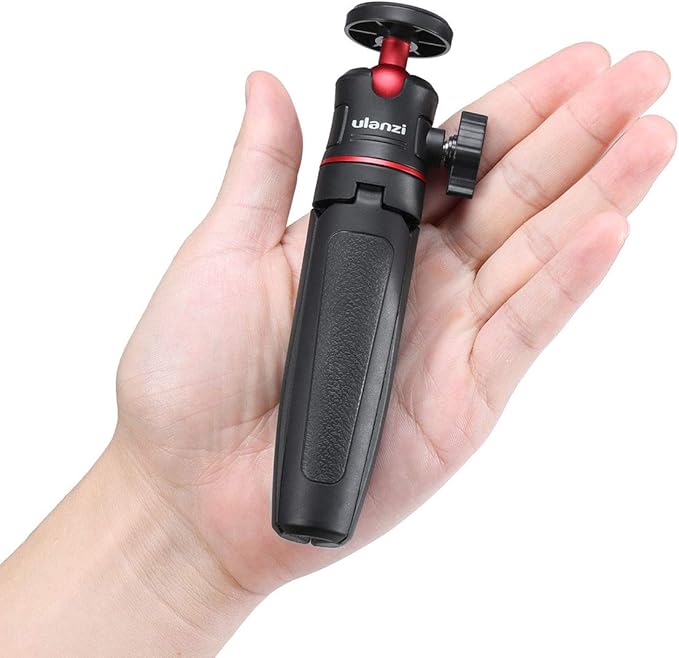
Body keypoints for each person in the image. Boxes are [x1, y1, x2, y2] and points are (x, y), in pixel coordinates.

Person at [0, 43, 674, 656]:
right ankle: (305, 511)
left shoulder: (376, 153)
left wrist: (185, 541)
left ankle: (306, 512)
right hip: (365, 221)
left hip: (368, 217)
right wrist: (176, 516)